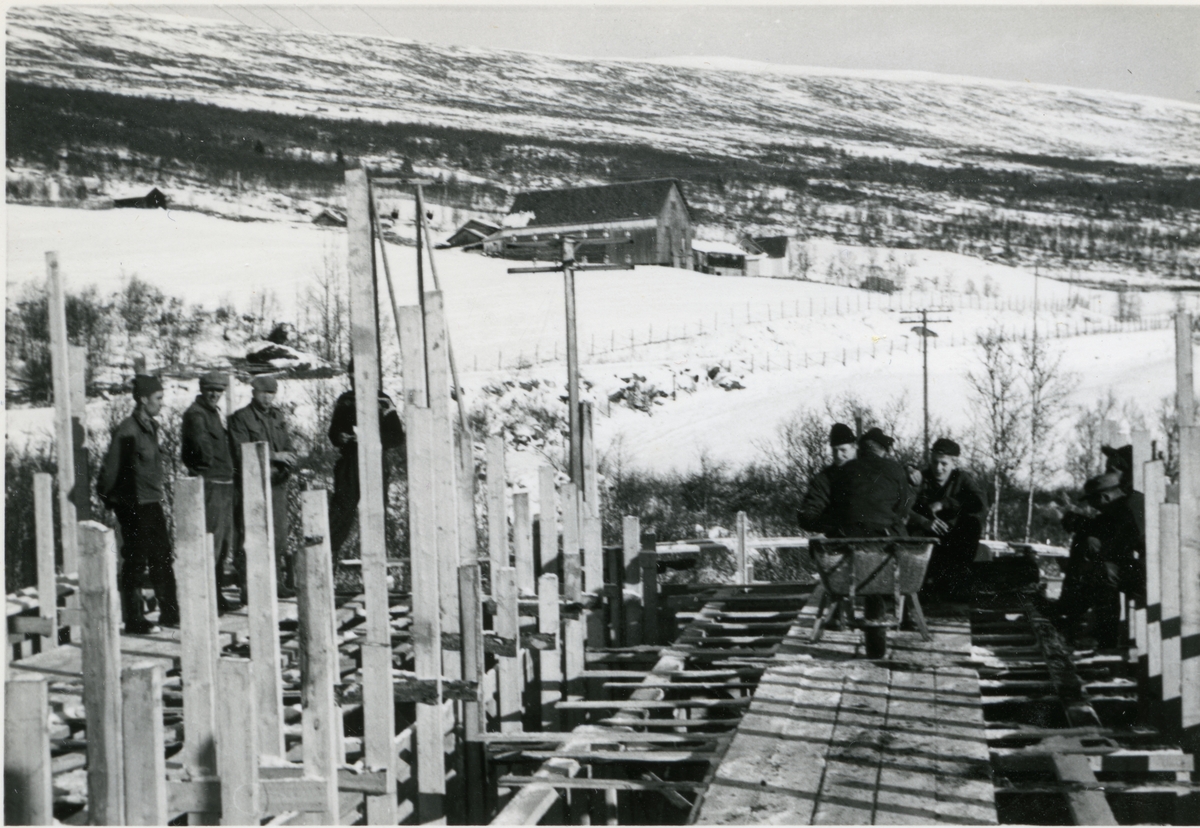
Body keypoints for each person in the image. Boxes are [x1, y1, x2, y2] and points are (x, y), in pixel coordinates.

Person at [97, 374, 180, 634]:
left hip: (152, 501)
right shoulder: (127, 429)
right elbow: (111, 470)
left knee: (162, 556)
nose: (161, 403)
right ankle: (134, 619)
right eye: (158, 398)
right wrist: (109, 498)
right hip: (133, 503)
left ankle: (170, 613)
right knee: (135, 559)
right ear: (143, 399)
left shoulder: (150, 427)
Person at [1055, 472, 1145, 649]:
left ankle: (1105, 641)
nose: (1093, 506)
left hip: (1157, 574)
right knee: (1093, 553)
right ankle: (1072, 610)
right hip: (1151, 567)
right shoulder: (1124, 504)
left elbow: (1114, 544)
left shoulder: (1130, 508)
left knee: (1104, 572)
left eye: (1093, 501)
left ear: (1105, 496)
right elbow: (1106, 529)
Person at [327, 362, 406, 559]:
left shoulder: (383, 400)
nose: (355, 382)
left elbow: (397, 436)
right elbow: (333, 432)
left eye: (359, 377)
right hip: (349, 462)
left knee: (376, 512)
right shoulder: (345, 400)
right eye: (351, 378)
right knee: (341, 510)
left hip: (375, 461)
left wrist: (373, 438)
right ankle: (329, 559)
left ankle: (377, 563)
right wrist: (340, 437)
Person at [229, 375, 296, 596]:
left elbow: (288, 444)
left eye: (271, 393)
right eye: (263, 393)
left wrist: (289, 458)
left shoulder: (277, 417)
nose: (267, 398)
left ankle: (275, 583)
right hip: (252, 485)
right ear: (254, 392)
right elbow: (241, 451)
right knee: (250, 535)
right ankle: (248, 585)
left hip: (276, 483)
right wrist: (276, 455)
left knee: (278, 536)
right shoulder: (241, 418)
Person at [181, 372, 240, 613]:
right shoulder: (196, 414)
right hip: (212, 483)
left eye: (218, 390)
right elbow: (202, 451)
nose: (215, 394)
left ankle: (215, 595)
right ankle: (207, 598)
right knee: (212, 543)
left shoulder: (212, 413)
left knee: (224, 543)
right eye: (210, 390)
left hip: (224, 482)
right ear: (202, 389)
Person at [908, 437, 989, 602]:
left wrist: (946, 503)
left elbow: (980, 503)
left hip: (954, 538)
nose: (938, 468)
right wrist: (924, 520)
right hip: (927, 535)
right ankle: (923, 588)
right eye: (934, 462)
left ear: (954, 463)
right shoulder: (921, 478)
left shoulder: (963, 478)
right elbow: (904, 507)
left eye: (944, 464)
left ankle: (955, 587)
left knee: (971, 525)